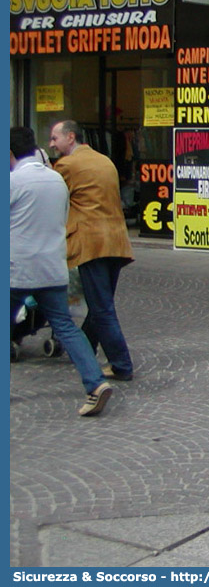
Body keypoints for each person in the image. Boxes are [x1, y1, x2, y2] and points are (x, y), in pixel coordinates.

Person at [10, 127, 114, 416]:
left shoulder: (13, 182)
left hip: (18, 270)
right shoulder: (57, 180)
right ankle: (95, 384)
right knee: (66, 327)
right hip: (53, 266)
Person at [49, 120, 135, 382]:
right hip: (116, 241)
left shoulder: (66, 165)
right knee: (102, 303)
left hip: (91, 242)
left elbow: (48, 191)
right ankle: (85, 351)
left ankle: (121, 364)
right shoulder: (104, 160)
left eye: (55, 138)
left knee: (101, 308)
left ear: (70, 137)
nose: (51, 144)